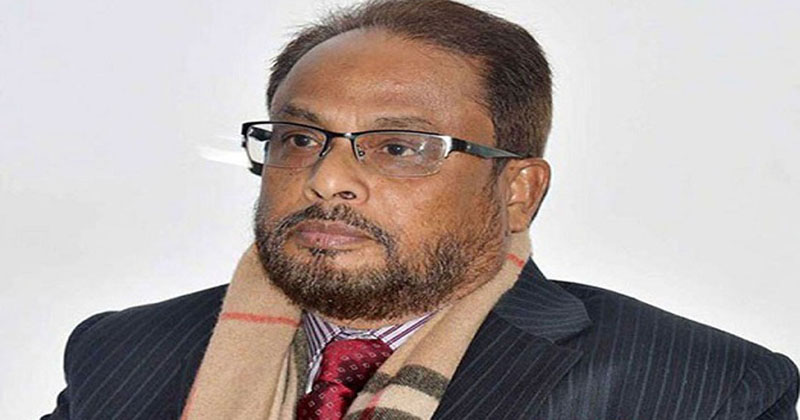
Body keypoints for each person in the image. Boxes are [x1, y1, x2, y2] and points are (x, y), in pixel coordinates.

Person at [42, 0, 798, 419]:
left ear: (517, 190)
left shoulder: (699, 391)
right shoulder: (123, 353)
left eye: (400, 146)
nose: (327, 180)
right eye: (300, 138)